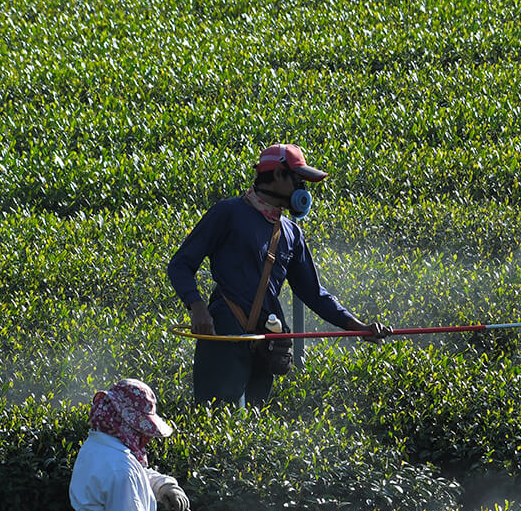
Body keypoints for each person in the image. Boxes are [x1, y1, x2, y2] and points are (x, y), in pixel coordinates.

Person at [167, 143, 391, 406]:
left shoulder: (291, 233)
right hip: (224, 332)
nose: (303, 190)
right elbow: (180, 265)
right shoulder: (228, 213)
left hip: (267, 341)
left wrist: (358, 326)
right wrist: (196, 306)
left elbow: (314, 293)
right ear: (277, 175)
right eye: (298, 180)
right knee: (217, 419)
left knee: (255, 427)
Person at [67, 378, 191, 511]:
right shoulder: (120, 467)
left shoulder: (96, 446)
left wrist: (164, 486)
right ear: (126, 422)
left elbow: (135, 475)